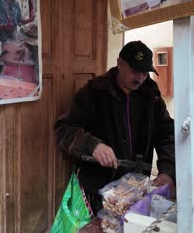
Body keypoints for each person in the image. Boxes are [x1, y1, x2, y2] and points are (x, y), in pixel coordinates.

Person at [55, 40, 176, 213]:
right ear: (120, 64)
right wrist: (92, 145)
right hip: (98, 190)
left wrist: (167, 171)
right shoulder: (93, 92)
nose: (141, 77)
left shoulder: (151, 96)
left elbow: (167, 136)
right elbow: (63, 130)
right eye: (135, 70)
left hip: (137, 188)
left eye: (145, 72)